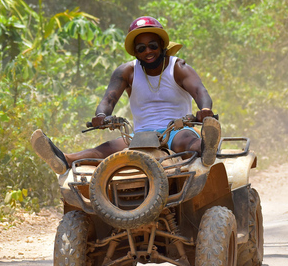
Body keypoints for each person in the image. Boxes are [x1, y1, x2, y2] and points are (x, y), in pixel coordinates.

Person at [31, 16, 220, 174]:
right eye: (141, 48)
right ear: (135, 52)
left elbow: (199, 91)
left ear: (162, 45)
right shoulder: (126, 71)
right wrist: (101, 116)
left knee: (187, 143)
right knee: (103, 151)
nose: (148, 52)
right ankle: (63, 160)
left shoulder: (177, 67)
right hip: (141, 136)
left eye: (152, 45)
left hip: (176, 129)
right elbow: (108, 99)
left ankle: (207, 148)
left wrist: (204, 109)